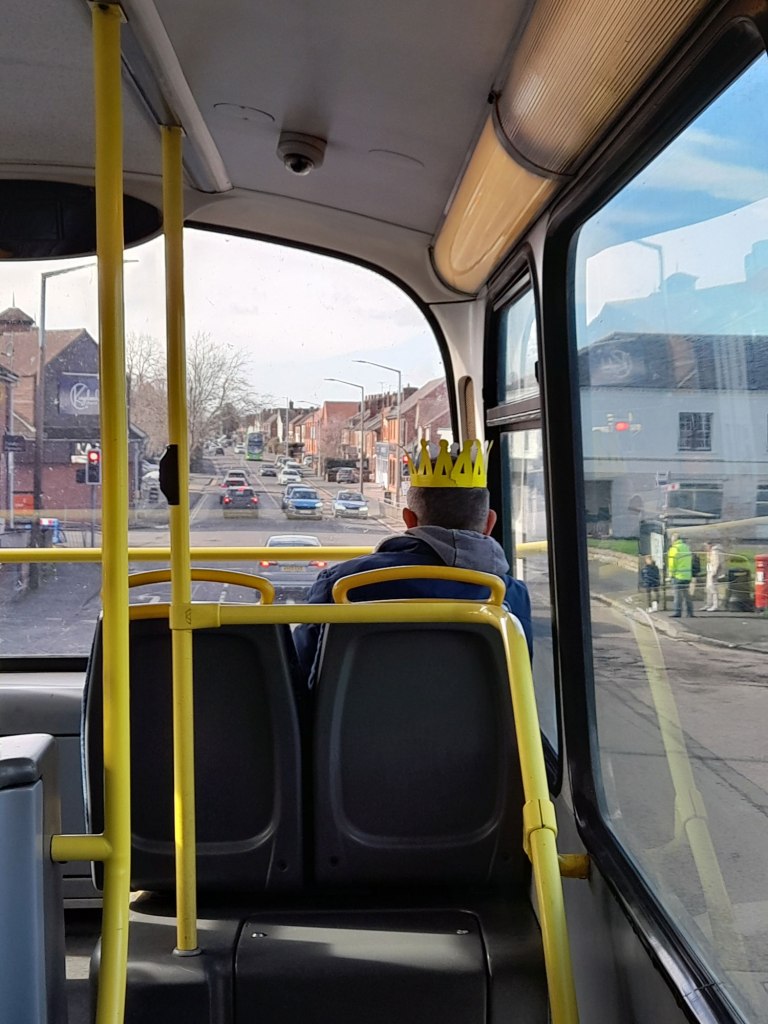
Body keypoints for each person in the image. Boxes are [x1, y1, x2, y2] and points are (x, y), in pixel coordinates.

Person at [292, 439, 533, 683]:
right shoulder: (509, 596)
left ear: (409, 520)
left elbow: (303, 675)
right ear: (489, 524)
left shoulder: (342, 584)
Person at [667, 533, 694, 618]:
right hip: (687, 575)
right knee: (686, 594)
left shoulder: (674, 549)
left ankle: (677, 611)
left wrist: (671, 575)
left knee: (677, 595)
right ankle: (690, 612)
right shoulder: (686, 547)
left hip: (678, 575)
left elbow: (672, 564)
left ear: (673, 540)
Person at [705, 540, 726, 611]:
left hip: (713, 572)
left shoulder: (715, 552)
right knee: (708, 588)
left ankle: (715, 605)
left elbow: (717, 563)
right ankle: (709, 604)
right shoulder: (712, 551)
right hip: (710, 571)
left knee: (713, 588)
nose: (706, 547)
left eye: (706, 545)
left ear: (710, 545)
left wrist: (714, 572)